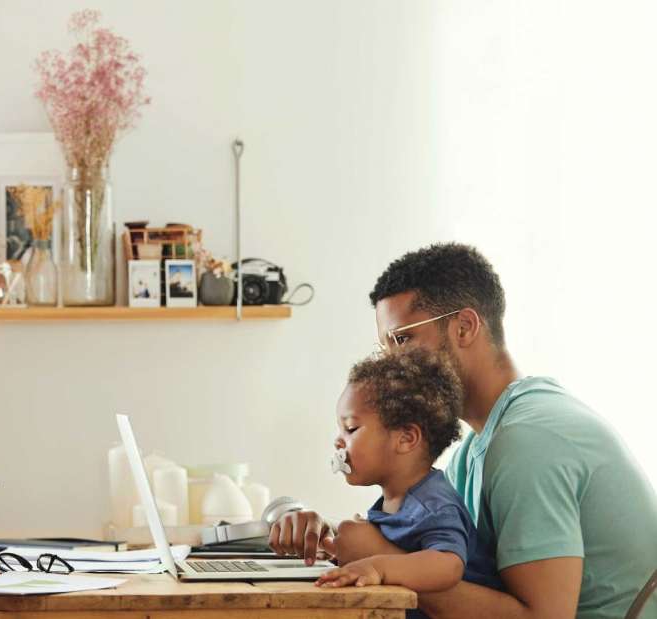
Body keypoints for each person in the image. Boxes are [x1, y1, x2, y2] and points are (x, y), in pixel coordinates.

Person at [270, 243, 657, 618]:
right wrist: (332, 537)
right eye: (385, 346)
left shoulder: (529, 442)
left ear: (464, 326)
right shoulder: (478, 445)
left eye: (402, 339)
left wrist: (381, 561)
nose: (392, 362)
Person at [311, 349, 501, 619]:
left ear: (406, 439)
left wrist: (377, 567)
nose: (338, 441)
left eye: (351, 429)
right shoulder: (395, 500)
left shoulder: (434, 503)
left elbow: (448, 565)